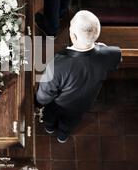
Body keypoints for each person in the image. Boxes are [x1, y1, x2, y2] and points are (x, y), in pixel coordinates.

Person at [36, 10, 122, 143]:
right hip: (84, 103)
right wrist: (101, 48)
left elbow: (45, 94)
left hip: (60, 104)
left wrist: (39, 102)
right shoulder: (112, 53)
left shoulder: (58, 65)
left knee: (50, 116)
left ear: (73, 36)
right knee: (71, 121)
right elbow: (116, 60)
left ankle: (49, 128)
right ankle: (62, 136)